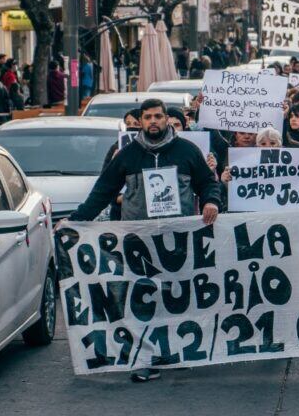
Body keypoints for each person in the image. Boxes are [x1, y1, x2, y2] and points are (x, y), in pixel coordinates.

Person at [69, 98, 221, 383]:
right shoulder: (126, 156)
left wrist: (212, 201)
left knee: (176, 297)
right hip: (137, 241)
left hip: (177, 238)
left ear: (167, 119)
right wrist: (76, 221)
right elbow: (102, 192)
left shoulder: (187, 151)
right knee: (140, 299)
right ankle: (144, 358)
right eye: (148, 117)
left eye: (158, 117)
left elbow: (207, 183)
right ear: (140, 121)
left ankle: (176, 350)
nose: (153, 122)